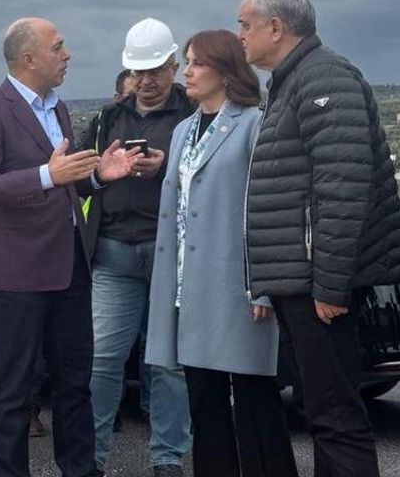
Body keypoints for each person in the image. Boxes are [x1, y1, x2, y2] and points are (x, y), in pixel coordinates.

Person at [237, 0, 400, 477]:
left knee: (336, 415)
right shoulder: (293, 81)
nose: (240, 36)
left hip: (318, 286)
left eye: (245, 25)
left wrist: (330, 286)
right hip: (302, 281)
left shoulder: (323, 79)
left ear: (276, 27)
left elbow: (342, 188)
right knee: (321, 410)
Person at [0, 17, 140, 477]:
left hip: (69, 268)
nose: (67, 55)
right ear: (28, 59)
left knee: (74, 384)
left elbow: (66, 184)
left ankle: (79, 469)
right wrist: (47, 174)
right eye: (58, 47)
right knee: (14, 389)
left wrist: (97, 176)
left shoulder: (58, 108)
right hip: (19, 275)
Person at [146, 31, 297, 477]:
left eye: (196, 63)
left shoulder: (254, 124)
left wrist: (263, 286)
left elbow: (267, 209)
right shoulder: (182, 131)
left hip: (237, 287)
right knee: (205, 401)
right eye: (187, 62)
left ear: (226, 71)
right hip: (188, 287)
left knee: (255, 400)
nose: (187, 72)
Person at [83, 18, 195, 476]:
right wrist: (101, 173)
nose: (146, 81)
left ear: (173, 67)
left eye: (155, 70)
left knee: (169, 364)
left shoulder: (196, 114)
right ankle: (90, 459)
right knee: (102, 359)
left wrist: (167, 169)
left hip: (172, 254)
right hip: (114, 254)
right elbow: (81, 179)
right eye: (138, 71)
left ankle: (167, 458)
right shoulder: (107, 119)